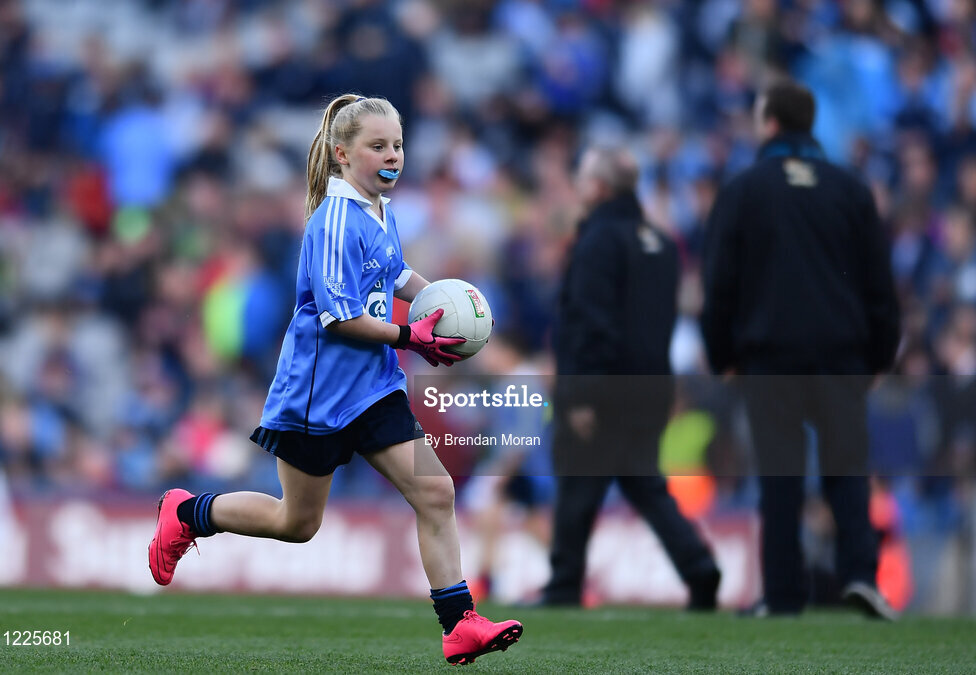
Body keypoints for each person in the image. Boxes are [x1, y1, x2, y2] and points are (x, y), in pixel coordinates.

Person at [148, 94, 523, 665]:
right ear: (342, 154)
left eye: (397, 144)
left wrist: (442, 303)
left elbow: (393, 273)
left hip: (374, 388)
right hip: (317, 397)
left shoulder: (380, 209)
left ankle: (459, 623)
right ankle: (186, 512)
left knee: (436, 491)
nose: (391, 154)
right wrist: (411, 337)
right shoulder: (332, 222)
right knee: (296, 523)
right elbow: (340, 318)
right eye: (377, 146)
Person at [700, 79, 901, 619]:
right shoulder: (851, 189)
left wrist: (722, 355)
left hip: (770, 357)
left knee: (780, 478)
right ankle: (861, 575)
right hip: (843, 354)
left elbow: (719, 283)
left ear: (769, 123)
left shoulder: (744, 189)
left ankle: (784, 594)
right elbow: (880, 283)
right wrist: (882, 354)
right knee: (847, 472)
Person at [539, 146, 722, 609]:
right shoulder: (661, 243)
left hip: (602, 389)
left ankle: (563, 585)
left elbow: (589, 323)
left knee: (579, 484)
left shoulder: (598, 240)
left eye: (582, 178)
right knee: (645, 483)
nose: (578, 187)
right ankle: (699, 566)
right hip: (652, 387)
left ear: (599, 187)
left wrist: (580, 395)